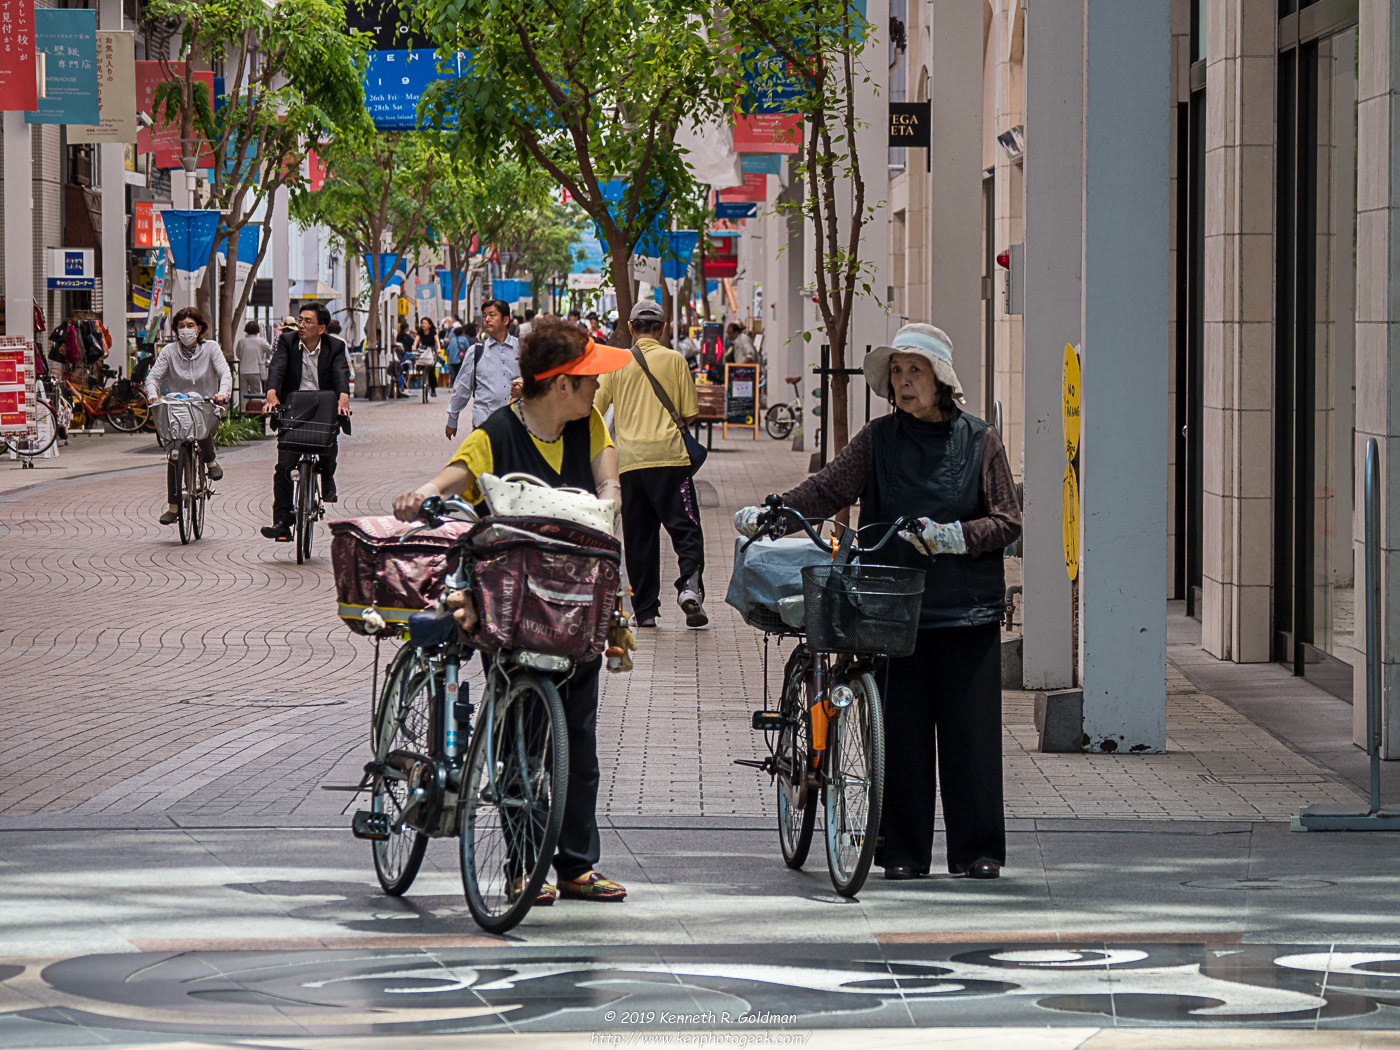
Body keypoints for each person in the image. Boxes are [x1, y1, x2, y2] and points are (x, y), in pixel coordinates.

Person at [735, 323, 1021, 881]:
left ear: (942, 380)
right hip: (891, 608)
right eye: (897, 371)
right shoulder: (877, 439)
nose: (904, 381)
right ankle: (901, 852)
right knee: (901, 737)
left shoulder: (981, 440)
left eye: (915, 371)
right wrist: (771, 512)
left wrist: (955, 536)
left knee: (972, 738)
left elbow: (1008, 521)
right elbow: (827, 489)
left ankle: (978, 851)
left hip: (966, 612)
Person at [393, 317, 633, 904]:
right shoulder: (498, 433)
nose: (598, 388)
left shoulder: (589, 426)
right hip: (515, 610)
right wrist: (421, 494)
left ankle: (576, 865)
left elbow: (609, 483)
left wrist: (609, 502)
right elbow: (458, 473)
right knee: (521, 740)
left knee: (578, 738)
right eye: (589, 379)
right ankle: (524, 864)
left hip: (577, 608)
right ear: (560, 386)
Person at [593, 299, 707, 629]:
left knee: (639, 537)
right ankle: (688, 588)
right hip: (671, 459)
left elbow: (596, 409)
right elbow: (689, 413)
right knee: (685, 527)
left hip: (629, 462)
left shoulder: (615, 364)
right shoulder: (675, 360)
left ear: (630, 328)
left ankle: (645, 612)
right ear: (663, 328)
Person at [260, 301, 351, 541]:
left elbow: (341, 373)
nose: (301, 325)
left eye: (307, 321)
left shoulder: (336, 347)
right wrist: (271, 392)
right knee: (283, 467)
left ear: (321, 328)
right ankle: (282, 522)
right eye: (300, 320)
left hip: (325, 405)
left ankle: (327, 475)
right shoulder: (287, 342)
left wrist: (343, 397)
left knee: (328, 444)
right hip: (293, 406)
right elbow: (277, 368)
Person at [145, 307, 231, 526]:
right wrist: (153, 396)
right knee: (174, 454)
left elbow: (224, 372)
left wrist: (222, 394)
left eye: (190, 326)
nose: (186, 330)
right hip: (177, 409)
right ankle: (173, 507)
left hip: (205, 405)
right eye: (181, 326)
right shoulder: (169, 351)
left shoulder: (211, 348)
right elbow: (153, 377)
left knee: (202, 426)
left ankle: (210, 461)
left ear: (199, 328)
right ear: (175, 330)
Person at [445, 298, 518, 438]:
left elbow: (536, 382)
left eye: (492, 315)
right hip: (484, 426)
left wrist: (523, 388)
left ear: (505, 320)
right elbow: (462, 387)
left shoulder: (522, 349)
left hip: (516, 426)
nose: (487, 320)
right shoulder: (476, 352)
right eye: (484, 316)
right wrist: (452, 419)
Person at [235, 320, 272, 404]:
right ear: (257, 330)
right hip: (256, 370)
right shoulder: (261, 341)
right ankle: (256, 412)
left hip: (243, 370)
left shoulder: (242, 342)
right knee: (256, 393)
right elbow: (270, 350)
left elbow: (238, 354)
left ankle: (243, 411)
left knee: (243, 393)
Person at [412, 317, 442, 397]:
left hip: (431, 351)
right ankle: (422, 375)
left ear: (429, 325)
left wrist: (438, 348)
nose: (423, 325)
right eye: (422, 323)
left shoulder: (433, 332)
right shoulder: (420, 332)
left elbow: (437, 342)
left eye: (425, 323)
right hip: (423, 350)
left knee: (431, 370)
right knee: (419, 363)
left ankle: (432, 389)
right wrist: (414, 346)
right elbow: (416, 341)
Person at [445, 318, 474, 385]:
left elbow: (448, 349)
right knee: (459, 373)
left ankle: (453, 385)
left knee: (453, 374)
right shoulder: (464, 339)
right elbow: (468, 348)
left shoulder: (452, 339)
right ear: (462, 332)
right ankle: (458, 385)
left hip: (451, 360)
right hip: (459, 359)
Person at [394, 319, 415, 395]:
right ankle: (403, 385)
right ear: (406, 328)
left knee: (402, 369)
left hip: (400, 355)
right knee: (405, 369)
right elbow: (413, 342)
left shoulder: (398, 336)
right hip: (405, 355)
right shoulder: (406, 336)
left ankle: (402, 385)